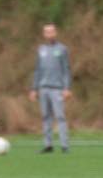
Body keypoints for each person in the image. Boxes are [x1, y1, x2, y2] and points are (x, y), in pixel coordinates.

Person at [29, 23, 71, 153]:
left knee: (60, 116)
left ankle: (65, 145)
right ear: (44, 34)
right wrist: (34, 89)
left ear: (55, 33)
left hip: (57, 88)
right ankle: (48, 145)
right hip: (43, 88)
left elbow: (66, 70)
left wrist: (67, 88)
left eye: (52, 32)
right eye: (47, 32)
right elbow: (37, 70)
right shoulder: (41, 50)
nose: (49, 34)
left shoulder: (62, 49)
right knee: (45, 116)